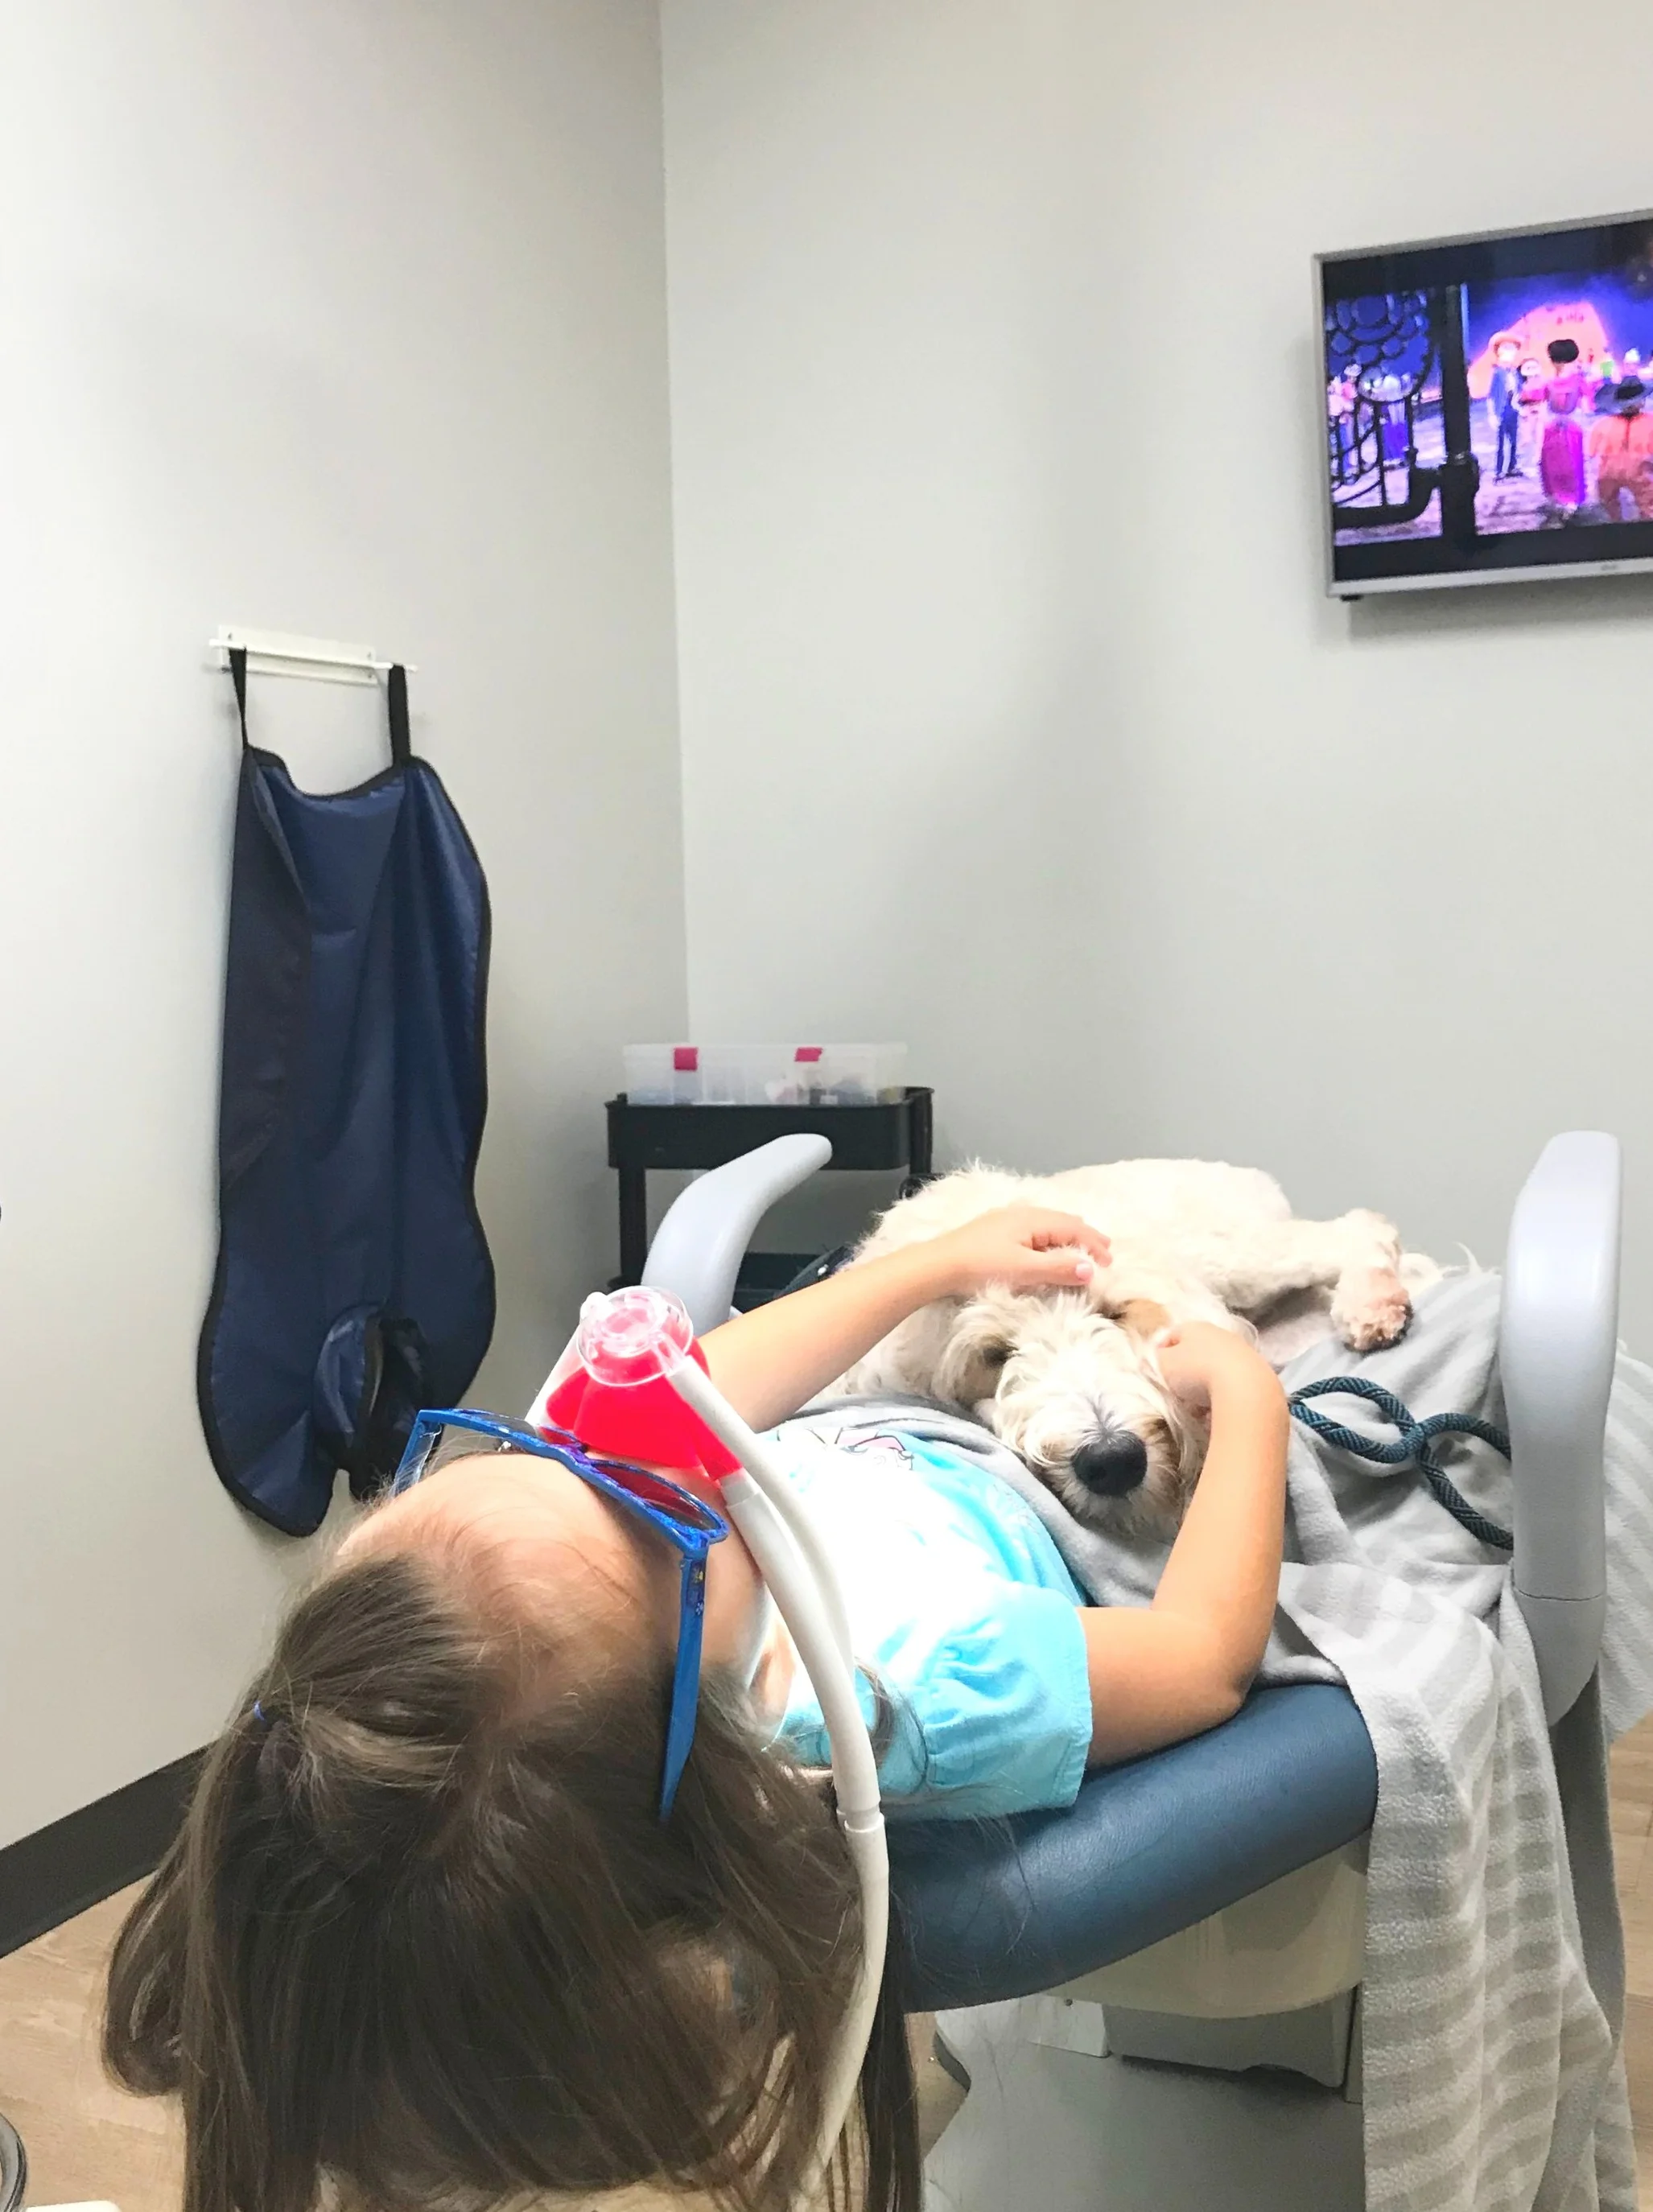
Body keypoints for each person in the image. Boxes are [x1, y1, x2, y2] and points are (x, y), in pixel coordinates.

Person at [104, 1206, 1290, 2212]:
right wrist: (1246, 1397)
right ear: (718, 1724)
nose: (633, 1456)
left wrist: (943, 1261)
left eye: (501, 1452)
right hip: (1002, 1467)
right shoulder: (905, 1689)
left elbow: (686, 1397)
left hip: (877, 1432)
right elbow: (1198, 1656)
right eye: (651, 1500)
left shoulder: (572, 1596)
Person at [1588, 376, 1653, 521]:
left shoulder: (1602, 424)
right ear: (1642, 401)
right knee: (1649, 508)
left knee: (1609, 509)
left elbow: (1592, 454)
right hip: (1640, 473)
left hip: (1607, 474)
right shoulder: (1650, 423)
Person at [1539, 337, 1589, 516]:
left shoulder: (1578, 380)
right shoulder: (1549, 382)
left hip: (1571, 428)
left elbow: (1586, 405)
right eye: (1557, 360)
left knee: (1571, 464)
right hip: (1552, 429)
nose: (1560, 364)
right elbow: (1542, 404)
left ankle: (1572, 497)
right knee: (1551, 463)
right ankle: (1557, 495)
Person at [1486, 332, 1524, 478]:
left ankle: (1512, 467)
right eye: (1506, 348)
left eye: (1513, 349)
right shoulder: (1497, 373)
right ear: (1499, 352)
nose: (1510, 352)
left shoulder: (1514, 373)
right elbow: (1491, 395)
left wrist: (1521, 406)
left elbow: (1519, 390)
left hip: (1512, 409)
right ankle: (1499, 470)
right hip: (1501, 410)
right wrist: (1491, 415)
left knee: (1514, 440)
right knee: (1501, 442)